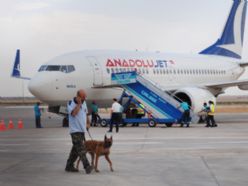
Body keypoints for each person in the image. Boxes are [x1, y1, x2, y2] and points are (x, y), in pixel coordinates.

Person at [65, 89, 93, 174]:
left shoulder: (84, 103)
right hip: (75, 131)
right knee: (81, 149)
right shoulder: (70, 103)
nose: (85, 98)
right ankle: (87, 166)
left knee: (75, 151)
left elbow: (85, 113)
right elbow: (73, 113)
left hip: (82, 130)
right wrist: (79, 104)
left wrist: (88, 123)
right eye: (83, 97)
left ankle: (69, 166)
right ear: (78, 96)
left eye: (85, 97)